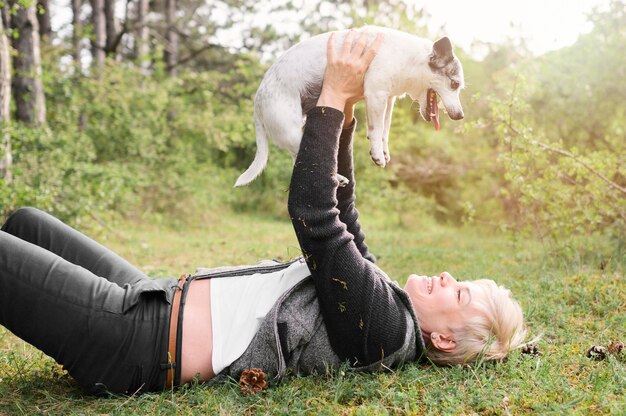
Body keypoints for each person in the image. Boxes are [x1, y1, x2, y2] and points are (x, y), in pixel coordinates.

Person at [0, 31, 526, 396]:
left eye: (460, 293)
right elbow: (342, 212)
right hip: (155, 292)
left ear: (444, 339)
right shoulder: (386, 299)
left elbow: (316, 217)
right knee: (26, 222)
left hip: (136, 339)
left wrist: (332, 100)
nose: (448, 277)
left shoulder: (385, 332)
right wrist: (343, 107)